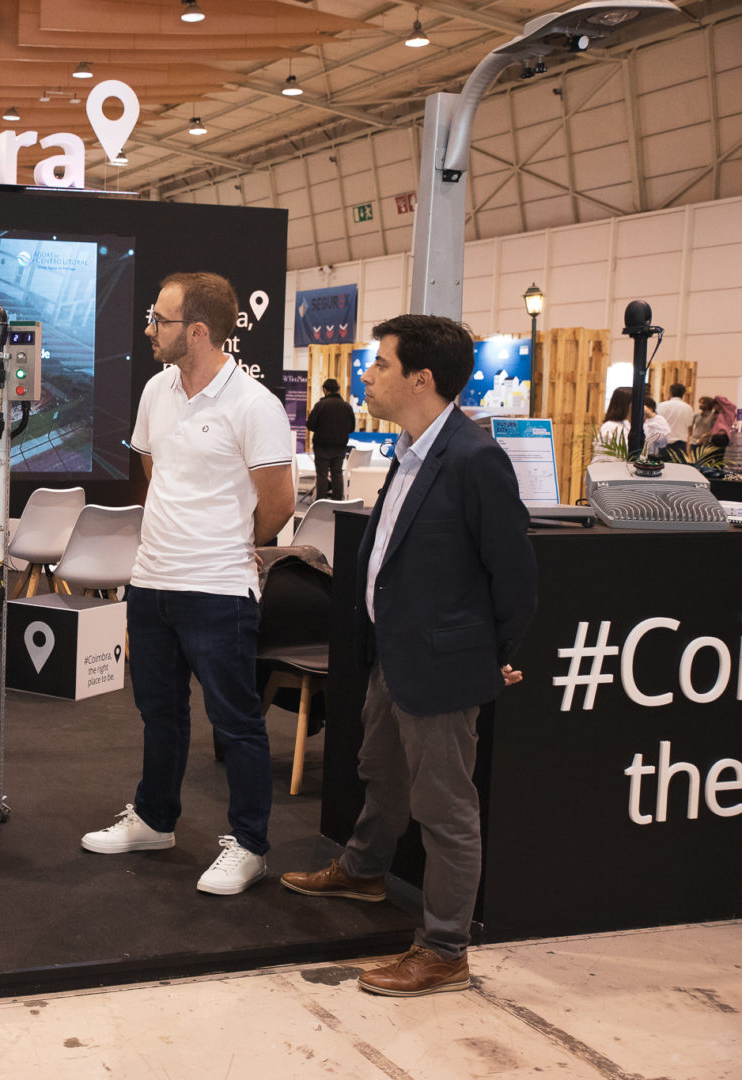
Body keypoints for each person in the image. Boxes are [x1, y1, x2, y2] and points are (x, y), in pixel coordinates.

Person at [279, 314, 537, 998]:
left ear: (421, 379)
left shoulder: (475, 459)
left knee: (445, 808)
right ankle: (365, 871)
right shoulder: (411, 449)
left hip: (443, 666)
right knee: (382, 771)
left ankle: (445, 949)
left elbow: (516, 577)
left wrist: (491, 655)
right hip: (393, 653)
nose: (367, 375)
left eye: (381, 364)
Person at [80, 272, 295, 896]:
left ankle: (249, 845)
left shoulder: (254, 405)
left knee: (235, 722)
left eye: (161, 320)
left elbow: (279, 504)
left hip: (219, 586)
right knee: (159, 712)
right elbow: (155, 471)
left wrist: (226, 542)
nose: (150, 329)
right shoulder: (157, 389)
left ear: (197, 331)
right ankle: (154, 820)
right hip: (152, 580)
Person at [305, 377, 355, 500]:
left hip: (322, 446)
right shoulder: (347, 407)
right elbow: (351, 428)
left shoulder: (320, 405)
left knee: (322, 475)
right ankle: (337, 501)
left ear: (325, 390)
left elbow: (310, 425)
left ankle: (321, 502)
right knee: (337, 473)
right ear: (338, 390)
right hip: (340, 447)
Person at [656, 383, 692, 455]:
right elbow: (689, 426)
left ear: (670, 392)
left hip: (664, 443)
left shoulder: (661, 406)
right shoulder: (688, 408)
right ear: (683, 394)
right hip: (681, 445)